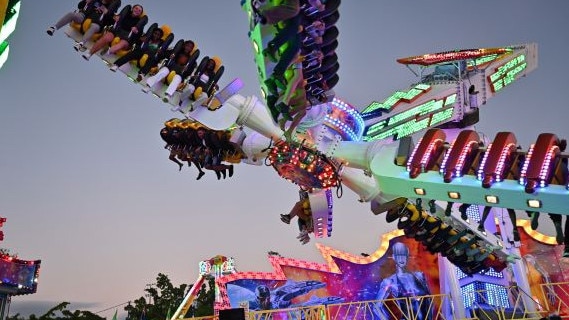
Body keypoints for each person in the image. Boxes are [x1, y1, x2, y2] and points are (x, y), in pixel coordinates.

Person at [375, 242, 432, 320]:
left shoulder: (420, 276)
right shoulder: (390, 281)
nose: (401, 259)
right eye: (398, 255)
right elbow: (376, 306)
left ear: (407, 256)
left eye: (404, 255)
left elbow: (430, 299)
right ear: (394, 257)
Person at [47, 0, 121, 53]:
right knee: (71, 14)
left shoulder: (110, 11)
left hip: (96, 23)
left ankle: (81, 44)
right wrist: (85, 1)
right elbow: (80, 5)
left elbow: (110, 23)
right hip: (84, 17)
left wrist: (108, 14)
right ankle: (54, 27)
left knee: (94, 26)